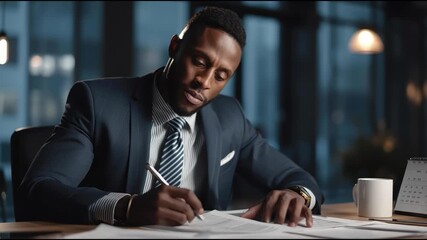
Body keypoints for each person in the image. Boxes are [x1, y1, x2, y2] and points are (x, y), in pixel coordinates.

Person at [18, 6, 324, 227]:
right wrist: (129, 206)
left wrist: (298, 195)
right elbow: (38, 190)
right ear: (175, 47)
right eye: (200, 61)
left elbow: (301, 180)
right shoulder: (98, 103)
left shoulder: (230, 117)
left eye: (221, 75)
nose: (204, 82)